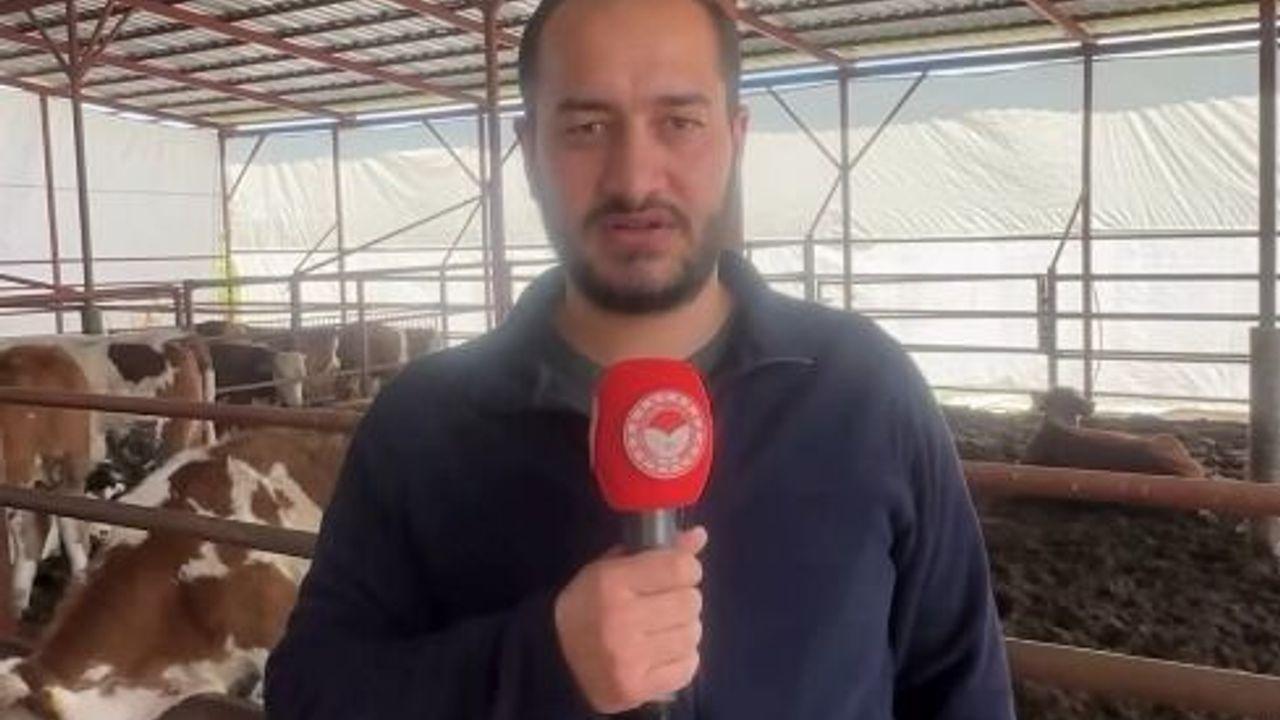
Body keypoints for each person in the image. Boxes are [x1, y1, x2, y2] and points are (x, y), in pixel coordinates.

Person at [263, 0, 1015, 717]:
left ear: (735, 138)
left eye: (679, 122)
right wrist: (543, 664)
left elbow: (962, 691)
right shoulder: (421, 423)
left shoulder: (866, 392)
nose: (633, 179)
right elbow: (311, 696)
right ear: (530, 152)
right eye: (586, 127)